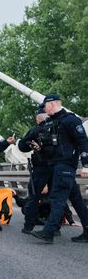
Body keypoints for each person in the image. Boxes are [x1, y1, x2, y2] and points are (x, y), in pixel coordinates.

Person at [30, 94, 88, 243]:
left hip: (66, 165)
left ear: (51, 104)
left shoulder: (70, 120)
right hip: (55, 166)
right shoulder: (51, 122)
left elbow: (83, 142)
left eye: (45, 106)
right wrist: (40, 149)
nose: (43, 109)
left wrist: (86, 165)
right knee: (77, 200)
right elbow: (50, 146)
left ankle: (48, 232)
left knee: (57, 198)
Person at [18, 104, 54, 233]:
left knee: (33, 197)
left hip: (41, 168)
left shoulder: (35, 130)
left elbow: (22, 146)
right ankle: (54, 227)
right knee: (56, 197)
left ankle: (28, 226)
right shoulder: (58, 127)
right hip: (57, 167)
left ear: (37, 118)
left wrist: (30, 144)